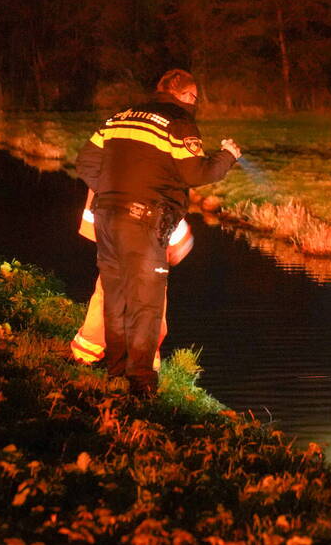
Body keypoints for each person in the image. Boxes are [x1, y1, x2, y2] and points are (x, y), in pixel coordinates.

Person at [75, 69, 241, 397]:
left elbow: (85, 162)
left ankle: (115, 374)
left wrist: (112, 193)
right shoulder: (178, 122)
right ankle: (140, 385)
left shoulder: (119, 118)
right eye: (195, 98)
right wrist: (228, 157)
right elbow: (195, 172)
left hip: (107, 219)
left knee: (116, 298)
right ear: (187, 96)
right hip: (145, 223)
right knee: (145, 305)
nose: (195, 104)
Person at [70, 189, 194, 370]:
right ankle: (142, 359)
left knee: (110, 287)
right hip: (147, 231)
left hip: (117, 221)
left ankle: (89, 351)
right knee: (148, 296)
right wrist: (178, 236)